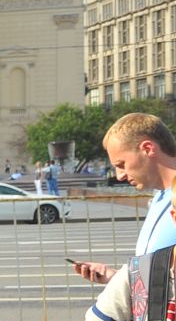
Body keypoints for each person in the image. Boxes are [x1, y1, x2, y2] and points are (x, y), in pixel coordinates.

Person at [72, 113, 176, 285]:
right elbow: (158, 274)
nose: (119, 176)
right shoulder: (160, 197)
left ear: (148, 149)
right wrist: (114, 277)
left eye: (121, 164)